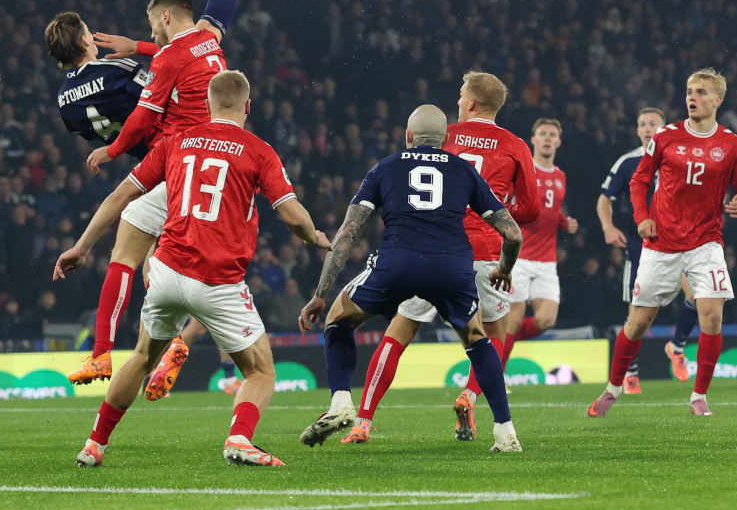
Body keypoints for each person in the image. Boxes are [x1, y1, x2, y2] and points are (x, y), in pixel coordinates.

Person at [55, 71, 329, 467]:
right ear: (247, 107)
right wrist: (314, 236)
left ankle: (94, 444)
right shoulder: (258, 150)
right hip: (217, 281)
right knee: (260, 372)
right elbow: (291, 214)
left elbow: (120, 196)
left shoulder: (176, 142)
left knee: (143, 357)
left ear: (207, 105)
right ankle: (238, 438)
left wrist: (82, 246)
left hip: (166, 272)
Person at [53, 0, 246, 386]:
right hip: (226, 165)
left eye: (149, 25)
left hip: (179, 159)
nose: (147, 34)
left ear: (162, 18)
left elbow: (141, 117)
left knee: (127, 249)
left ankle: (102, 350)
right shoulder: (208, 40)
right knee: (214, 276)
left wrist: (113, 149)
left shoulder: (164, 61)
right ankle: (180, 343)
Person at [296, 105, 524, 452]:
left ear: (407, 137)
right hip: (451, 266)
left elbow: (347, 234)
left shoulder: (386, 167)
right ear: (446, 140)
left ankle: (342, 404)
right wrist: (505, 269)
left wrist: (320, 292)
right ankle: (505, 432)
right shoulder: (463, 170)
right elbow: (513, 235)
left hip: (398, 262)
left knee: (338, 320)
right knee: (478, 339)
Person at [589, 69, 737, 418]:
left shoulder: (731, 144)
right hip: (661, 243)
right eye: (689, 91)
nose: (692, 97)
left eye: (700, 92)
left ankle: (699, 397)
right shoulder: (665, 136)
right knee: (637, 323)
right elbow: (638, 182)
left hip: (706, 242)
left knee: (711, 317)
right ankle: (613, 388)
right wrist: (641, 218)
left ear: (717, 100)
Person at [596, 107, 696, 392]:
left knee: (696, 295)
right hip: (641, 246)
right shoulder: (628, 162)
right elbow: (605, 199)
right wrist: (608, 227)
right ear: (637, 130)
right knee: (635, 314)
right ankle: (631, 373)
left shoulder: (680, 158)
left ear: (664, 128)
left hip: (679, 242)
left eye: (654, 123)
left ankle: (676, 346)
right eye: (642, 124)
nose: (648, 128)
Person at [500, 119, 579, 366]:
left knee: (546, 320)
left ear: (558, 141)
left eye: (552, 134)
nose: (547, 137)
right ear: (533, 140)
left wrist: (566, 223)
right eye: (542, 133)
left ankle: (501, 341)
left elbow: (551, 210)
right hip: (518, 257)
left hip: (546, 261)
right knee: (514, 317)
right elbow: (502, 204)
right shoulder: (521, 170)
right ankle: (495, 377)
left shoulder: (560, 176)